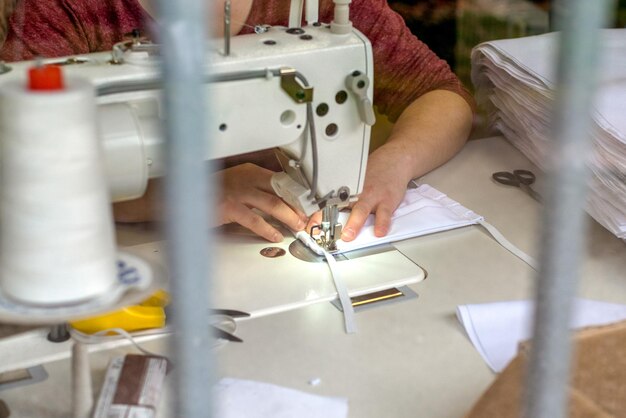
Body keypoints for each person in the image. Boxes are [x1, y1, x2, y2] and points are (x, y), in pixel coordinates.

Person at [0, 0, 474, 244]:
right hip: (118, 254)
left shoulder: (316, 5)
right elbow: (21, 171)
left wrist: (395, 160)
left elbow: (440, 95)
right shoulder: (64, 11)